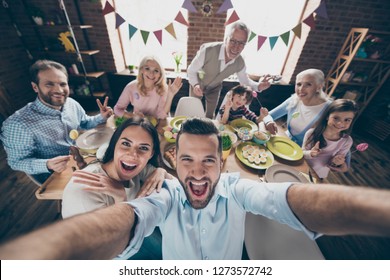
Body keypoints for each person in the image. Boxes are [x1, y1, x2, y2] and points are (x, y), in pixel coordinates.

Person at [1, 118, 390, 260]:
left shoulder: (239, 187)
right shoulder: (165, 191)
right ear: (173, 160)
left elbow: (283, 198)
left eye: (209, 161)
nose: (199, 173)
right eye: (187, 160)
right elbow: (134, 216)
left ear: (223, 163)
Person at [62, 116, 172, 259]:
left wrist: (161, 171)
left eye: (143, 148)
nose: (133, 154)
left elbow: (174, 185)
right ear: (114, 145)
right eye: (126, 144)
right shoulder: (83, 192)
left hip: (133, 229)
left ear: (151, 154)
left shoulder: (139, 169)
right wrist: (121, 198)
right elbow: (110, 247)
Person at [0, 60, 113, 184]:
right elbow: (16, 161)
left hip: (80, 157)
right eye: (49, 84)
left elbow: (85, 123)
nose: (59, 90)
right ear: (35, 87)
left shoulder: (71, 103)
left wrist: (101, 117)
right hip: (54, 174)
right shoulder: (17, 124)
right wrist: (47, 164)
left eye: (63, 84)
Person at [187, 21, 272, 118]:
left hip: (215, 88)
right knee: (192, 112)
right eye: (233, 41)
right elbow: (191, 70)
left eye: (241, 43)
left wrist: (259, 86)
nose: (236, 47)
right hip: (197, 83)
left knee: (210, 115)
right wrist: (196, 84)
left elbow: (245, 82)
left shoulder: (240, 62)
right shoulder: (207, 50)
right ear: (226, 39)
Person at [265, 69, 332, 146]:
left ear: (319, 87)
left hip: (307, 153)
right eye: (299, 84)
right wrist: (269, 121)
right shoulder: (293, 100)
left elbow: (338, 139)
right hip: (285, 141)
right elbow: (268, 115)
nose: (301, 89)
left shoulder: (329, 108)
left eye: (308, 84)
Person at [302, 99, 359, 179]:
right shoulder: (311, 133)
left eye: (347, 120)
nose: (340, 123)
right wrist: (311, 153)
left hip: (319, 176)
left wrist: (336, 163)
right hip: (302, 169)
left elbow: (334, 167)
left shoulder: (347, 141)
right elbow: (302, 154)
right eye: (336, 118)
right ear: (327, 116)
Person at [113, 55, 182, 121]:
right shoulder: (131, 87)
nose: (151, 74)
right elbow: (117, 109)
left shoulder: (164, 88)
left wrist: (170, 95)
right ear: (141, 70)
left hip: (157, 124)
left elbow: (162, 115)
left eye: (156, 70)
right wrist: (132, 116)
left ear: (160, 74)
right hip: (138, 123)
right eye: (147, 68)